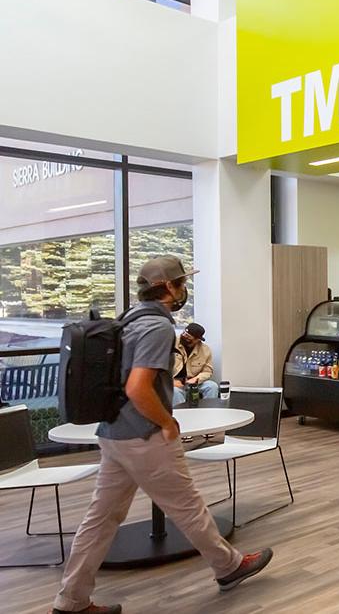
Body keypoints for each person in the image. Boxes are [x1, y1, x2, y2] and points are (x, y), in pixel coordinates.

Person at [51, 257, 272, 614]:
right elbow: (138, 387)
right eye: (182, 283)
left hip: (113, 431)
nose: (184, 289)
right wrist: (167, 423)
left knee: (100, 518)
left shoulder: (128, 319)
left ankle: (71, 601)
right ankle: (228, 566)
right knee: (188, 506)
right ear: (169, 287)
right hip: (143, 435)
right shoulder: (156, 327)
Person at [171, 322, 217, 406]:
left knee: (212, 386)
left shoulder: (205, 350)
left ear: (197, 340)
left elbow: (208, 371)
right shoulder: (171, 343)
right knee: (175, 392)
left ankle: (210, 412)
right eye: (184, 333)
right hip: (174, 382)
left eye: (188, 336)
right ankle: (182, 416)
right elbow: (159, 369)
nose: (184, 336)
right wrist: (170, 382)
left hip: (194, 382)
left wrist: (196, 379)